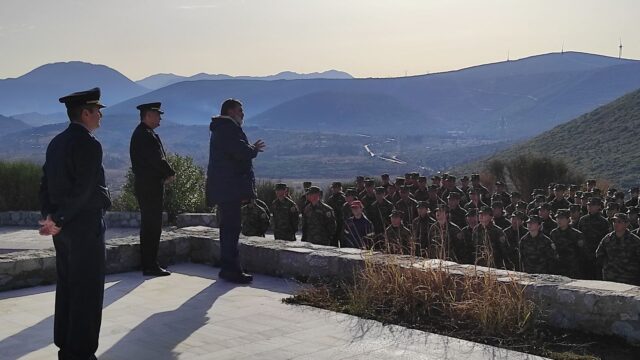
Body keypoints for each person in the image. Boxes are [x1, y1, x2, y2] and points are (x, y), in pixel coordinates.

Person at [39, 87, 112, 360]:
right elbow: (83, 190)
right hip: (84, 226)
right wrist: (57, 218)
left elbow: (45, 185)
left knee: (68, 285)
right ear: (85, 113)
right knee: (88, 290)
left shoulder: (56, 142)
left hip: (64, 228)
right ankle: (80, 352)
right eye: (97, 111)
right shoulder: (89, 144)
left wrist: (51, 217)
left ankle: (65, 345)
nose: (100, 115)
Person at [206, 98, 265, 284]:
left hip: (226, 188)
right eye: (240, 110)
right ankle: (232, 270)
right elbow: (239, 152)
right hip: (229, 188)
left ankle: (227, 268)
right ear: (231, 112)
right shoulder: (227, 129)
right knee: (231, 229)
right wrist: (253, 150)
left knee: (228, 229)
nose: (243, 114)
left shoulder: (222, 128)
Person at [129, 102, 175, 276]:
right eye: (157, 115)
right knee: (152, 226)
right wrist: (170, 173)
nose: (160, 118)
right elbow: (156, 159)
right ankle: (150, 265)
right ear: (148, 116)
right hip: (149, 186)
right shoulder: (145, 135)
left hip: (148, 185)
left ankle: (149, 263)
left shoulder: (145, 133)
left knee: (150, 224)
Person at [596, 213, 640, 285]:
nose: (615, 224)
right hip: (610, 278)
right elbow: (599, 254)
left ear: (626, 224)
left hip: (628, 279)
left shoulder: (635, 240)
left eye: (619, 222)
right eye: (614, 222)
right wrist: (608, 266)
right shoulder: (608, 238)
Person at [577, 197, 611, 280]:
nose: (590, 207)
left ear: (599, 206)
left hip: (597, 256)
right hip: (584, 255)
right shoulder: (583, 220)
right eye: (589, 205)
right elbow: (579, 236)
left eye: (593, 205)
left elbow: (606, 240)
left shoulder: (604, 222)